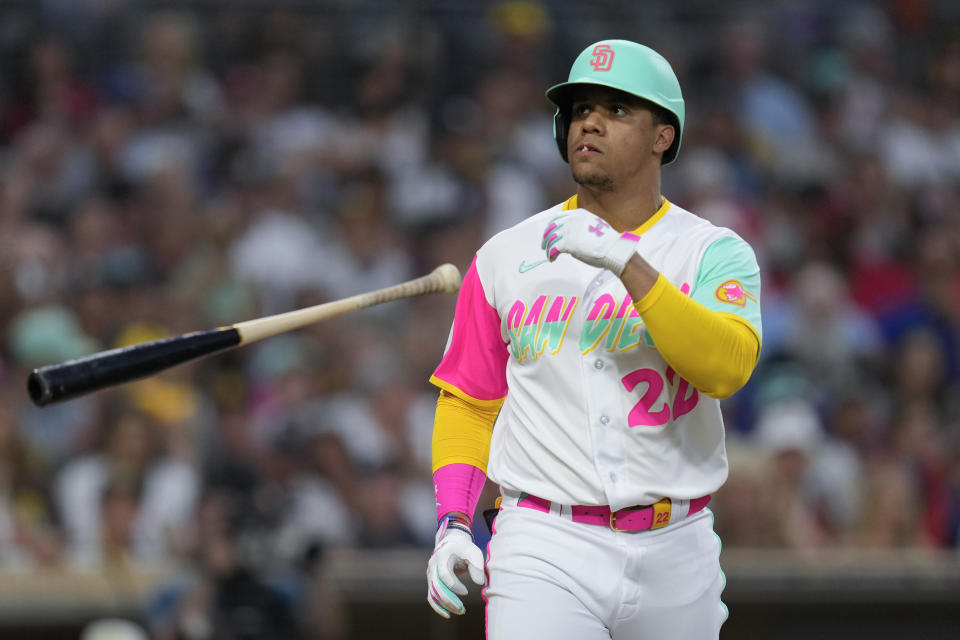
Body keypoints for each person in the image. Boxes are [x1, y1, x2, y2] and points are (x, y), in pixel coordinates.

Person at [425, 39, 763, 639]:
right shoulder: (505, 256)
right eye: (580, 109)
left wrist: (628, 264)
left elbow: (727, 368)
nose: (591, 121)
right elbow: (468, 402)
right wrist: (453, 519)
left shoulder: (712, 251)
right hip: (544, 541)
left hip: (676, 545)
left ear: (664, 136)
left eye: (617, 109)